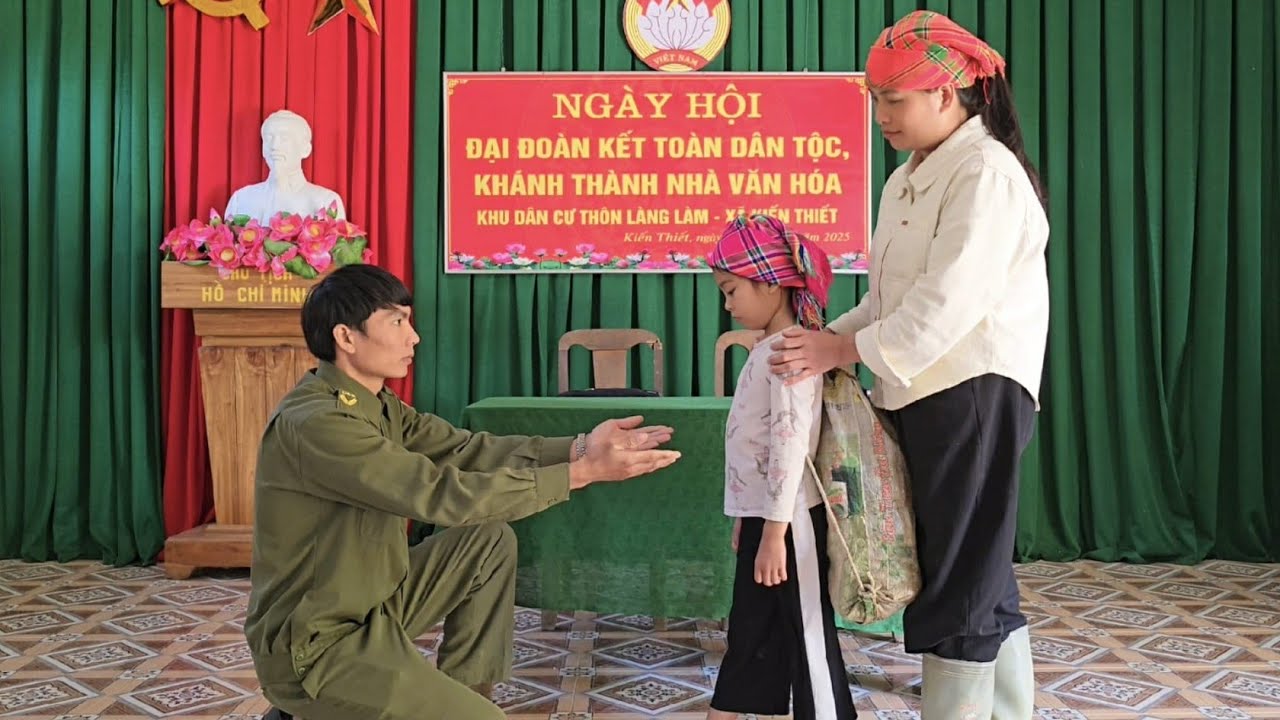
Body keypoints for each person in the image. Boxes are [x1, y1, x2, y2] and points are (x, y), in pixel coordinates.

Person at [243, 263, 683, 720]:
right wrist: (582, 474)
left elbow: (466, 449)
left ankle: (464, 698)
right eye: (396, 322)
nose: (413, 338)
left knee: (488, 542)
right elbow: (438, 495)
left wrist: (578, 448)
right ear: (346, 338)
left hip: (372, 607)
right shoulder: (320, 422)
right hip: (315, 643)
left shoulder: (376, 405)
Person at [766, 10, 1049, 719]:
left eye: (894, 100)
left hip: (972, 395)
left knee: (958, 582)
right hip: (923, 393)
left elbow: (946, 306)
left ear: (947, 96)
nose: (881, 115)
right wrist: (826, 336)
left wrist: (842, 350)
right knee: (977, 574)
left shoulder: (986, 173)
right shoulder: (908, 178)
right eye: (876, 100)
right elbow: (891, 298)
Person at [705, 215, 857, 720]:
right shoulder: (770, 349)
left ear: (771, 283)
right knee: (752, 626)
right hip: (766, 520)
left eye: (731, 290)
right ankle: (731, 708)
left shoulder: (791, 353)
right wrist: (746, 520)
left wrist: (773, 533)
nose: (727, 304)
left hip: (790, 524)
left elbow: (790, 449)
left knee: (807, 626)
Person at [225, 109, 346, 224]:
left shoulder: (325, 201)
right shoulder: (241, 199)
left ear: (305, 149)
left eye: (284, 138)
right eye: (269, 138)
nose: (274, 146)